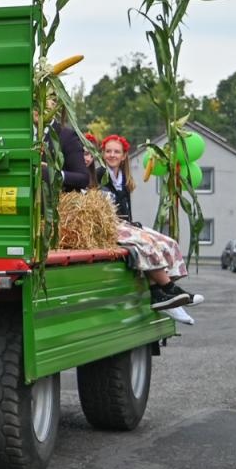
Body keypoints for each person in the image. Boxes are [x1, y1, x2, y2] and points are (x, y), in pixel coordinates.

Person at [51, 115, 199, 321]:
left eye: (116, 152)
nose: (111, 155)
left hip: (120, 223)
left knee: (166, 242)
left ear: (124, 156)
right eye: (108, 151)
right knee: (144, 244)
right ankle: (168, 290)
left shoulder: (119, 178)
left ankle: (167, 294)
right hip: (107, 226)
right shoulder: (96, 177)